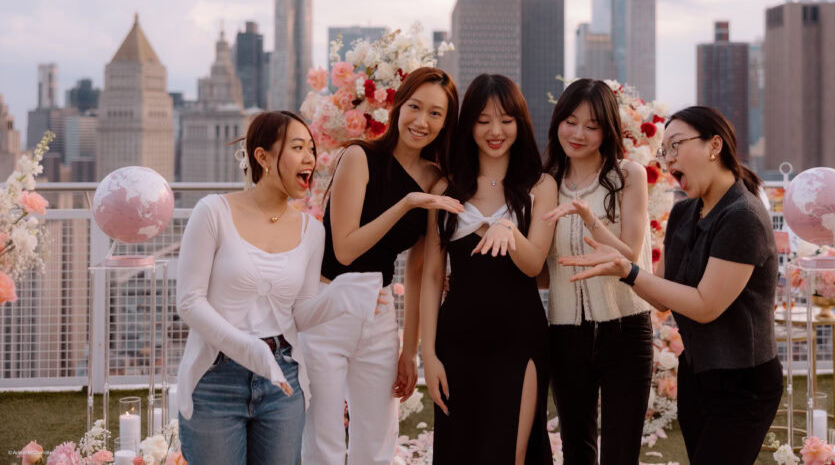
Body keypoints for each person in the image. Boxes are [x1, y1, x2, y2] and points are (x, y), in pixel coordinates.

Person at [559, 105, 782, 465]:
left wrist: (627, 271)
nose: (668, 159)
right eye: (664, 150)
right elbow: (661, 294)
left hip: (744, 385)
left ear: (714, 146)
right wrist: (603, 240)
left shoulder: (743, 216)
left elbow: (705, 306)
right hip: (697, 376)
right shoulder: (684, 212)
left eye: (676, 145)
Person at [176, 110, 382, 465]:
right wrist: (251, 350)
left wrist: (342, 296)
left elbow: (300, 313)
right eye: (298, 147)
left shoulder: (311, 231)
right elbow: (189, 302)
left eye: (312, 149)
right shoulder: (213, 212)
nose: (310, 158)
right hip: (215, 379)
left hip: (282, 381)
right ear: (263, 157)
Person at [301, 67, 463, 465]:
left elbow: (418, 271)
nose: (422, 121)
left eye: (436, 114)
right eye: (415, 107)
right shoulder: (360, 157)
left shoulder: (435, 180)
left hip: (379, 307)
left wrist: (410, 351)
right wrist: (406, 204)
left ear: (446, 123)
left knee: (377, 441)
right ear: (398, 106)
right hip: (328, 303)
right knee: (324, 440)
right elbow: (345, 249)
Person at [420, 74, 557, 465]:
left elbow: (534, 264)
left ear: (520, 123)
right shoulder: (445, 188)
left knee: (512, 453)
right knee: (460, 453)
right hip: (457, 342)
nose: (495, 131)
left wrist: (509, 229)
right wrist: (428, 355)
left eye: (506, 120)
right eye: (483, 121)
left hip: (520, 338)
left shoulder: (540, 185)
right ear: (469, 125)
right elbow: (432, 276)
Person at [541, 78, 654, 465]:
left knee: (621, 452)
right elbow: (542, 267)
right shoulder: (546, 183)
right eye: (570, 122)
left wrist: (590, 220)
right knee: (577, 449)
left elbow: (629, 255)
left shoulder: (628, 175)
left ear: (607, 131)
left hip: (625, 328)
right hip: (564, 332)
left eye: (591, 126)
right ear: (558, 122)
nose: (578, 134)